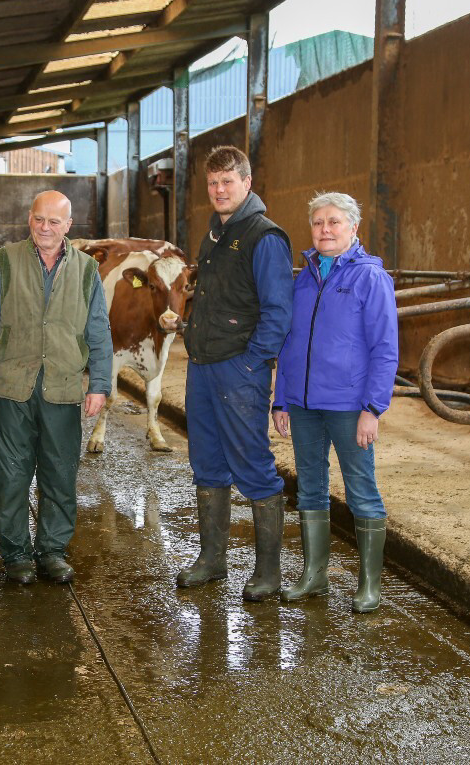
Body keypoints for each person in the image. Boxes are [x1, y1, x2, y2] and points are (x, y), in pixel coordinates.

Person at [0, 190, 112, 585]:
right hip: (11, 386)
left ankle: (52, 551)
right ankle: (16, 554)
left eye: (55, 221)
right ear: (29, 220)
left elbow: (99, 329)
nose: (46, 228)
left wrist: (99, 383)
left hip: (64, 387)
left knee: (59, 473)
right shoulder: (5, 260)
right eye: (39, 219)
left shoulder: (87, 270)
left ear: (69, 226)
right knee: (10, 474)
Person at [271, 192, 398, 613]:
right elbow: (290, 344)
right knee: (310, 486)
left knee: (361, 488)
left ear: (353, 228)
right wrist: (281, 400)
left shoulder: (369, 278)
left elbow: (384, 349)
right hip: (304, 404)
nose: (324, 230)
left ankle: (369, 585)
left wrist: (373, 408)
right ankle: (315, 575)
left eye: (334, 222)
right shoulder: (303, 278)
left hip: (349, 406)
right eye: (318, 223)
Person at [178, 146, 293, 601]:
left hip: (239, 368)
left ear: (247, 182)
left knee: (253, 465)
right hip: (204, 367)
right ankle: (212, 559)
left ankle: (268, 572)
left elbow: (278, 312)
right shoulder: (214, 235)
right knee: (206, 462)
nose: (220, 190)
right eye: (213, 183)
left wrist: (251, 362)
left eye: (228, 181)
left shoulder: (264, 237)